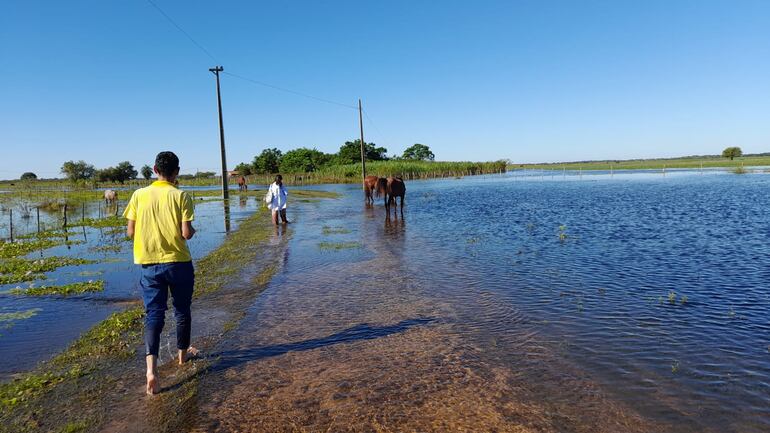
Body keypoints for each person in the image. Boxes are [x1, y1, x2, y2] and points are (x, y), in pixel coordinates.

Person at [124, 151, 198, 396]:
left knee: (154, 314)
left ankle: (151, 371)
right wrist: (191, 230)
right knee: (181, 311)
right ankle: (182, 357)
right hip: (178, 263)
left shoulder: (138, 195)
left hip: (149, 264)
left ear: (155, 169)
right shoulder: (181, 195)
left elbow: (130, 232)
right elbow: (186, 233)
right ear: (177, 171)